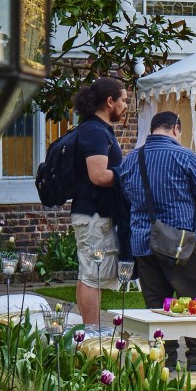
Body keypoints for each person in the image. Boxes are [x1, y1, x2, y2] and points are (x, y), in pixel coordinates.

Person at [117, 111, 196, 370]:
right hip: (180, 244)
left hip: (143, 243)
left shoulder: (131, 160)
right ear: (176, 128)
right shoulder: (185, 156)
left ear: (153, 130)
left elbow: (126, 196)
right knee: (194, 303)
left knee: (157, 308)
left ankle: (165, 363)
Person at [69, 77, 128, 330]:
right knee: (92, 275)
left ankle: (89, 330)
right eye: (124, 100)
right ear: (109, 101)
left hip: (92, 213)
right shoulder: (94, 131)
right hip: (93, 215)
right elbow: (98, 175)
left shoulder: (96, 129)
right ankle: (92, 334)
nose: (126, 106)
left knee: (88, 274)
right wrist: (127, 175)